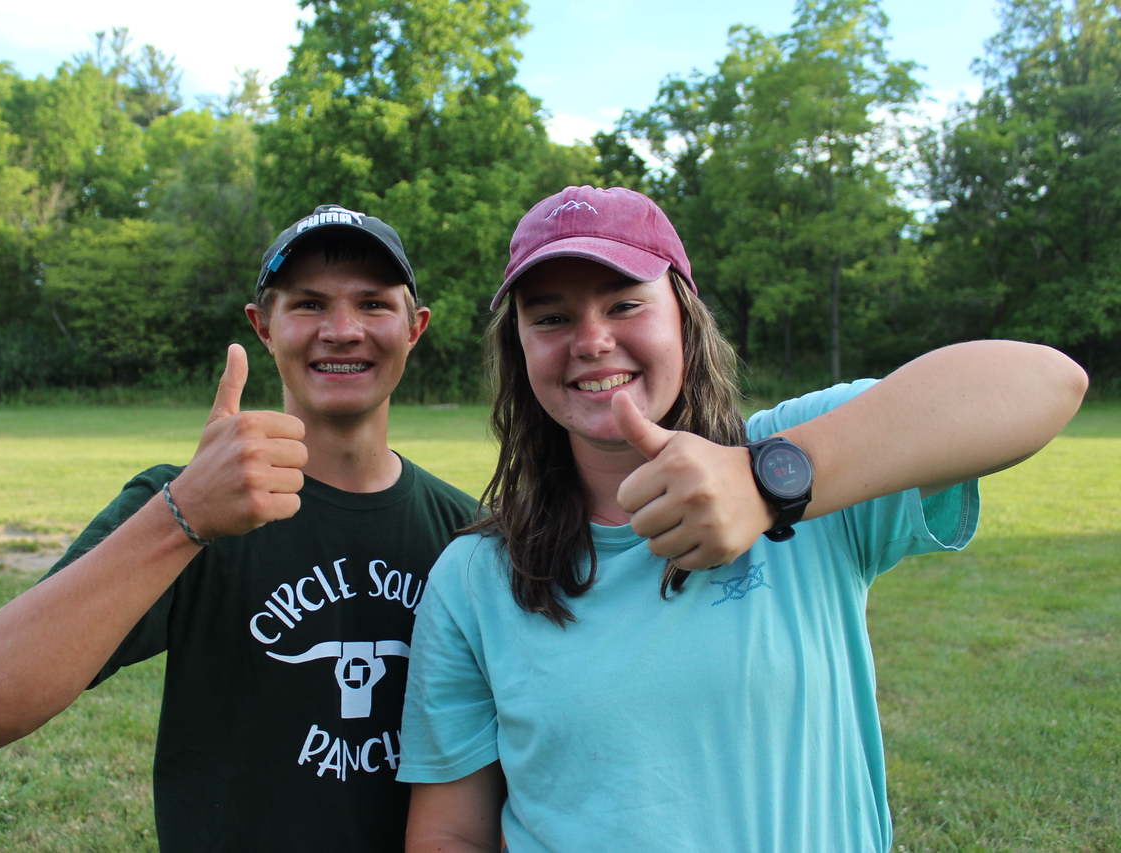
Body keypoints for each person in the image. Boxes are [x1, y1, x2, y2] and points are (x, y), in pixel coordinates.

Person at [396, 185, 1088, 853]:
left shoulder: (799, 455)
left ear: (684, 317)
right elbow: (449, 830)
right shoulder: (475, 577)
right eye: (550, 317)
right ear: (519, 348)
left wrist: (768, 483)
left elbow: (1047, 382)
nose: (592, 339)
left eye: (626, 303)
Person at [0, 204, 478, 852]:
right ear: (263, 327)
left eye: (372, 304)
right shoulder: (183, 503)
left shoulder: (466, 532)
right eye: (307, 304)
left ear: (414, 327)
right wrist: (184, 514)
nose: (341, 330)